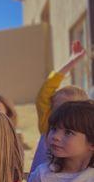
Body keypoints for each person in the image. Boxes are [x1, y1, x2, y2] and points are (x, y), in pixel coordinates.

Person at [30, 41, 89, 174]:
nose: (66, 114)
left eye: (74, 110)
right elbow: (46, 90)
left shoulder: (88, 135)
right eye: (60, 109)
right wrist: (72, 62)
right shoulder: (48, 126)